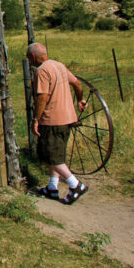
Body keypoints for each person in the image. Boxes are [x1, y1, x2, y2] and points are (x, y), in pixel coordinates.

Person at [27, 42, 88, 204]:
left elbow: (42, 97)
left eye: (28, 58)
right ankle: (52, 187)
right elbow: (77, 83)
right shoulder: (59, 66)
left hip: (52, 120)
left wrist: (35, 119)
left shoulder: (42, 71)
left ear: (33, 57)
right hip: (68, 118)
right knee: (56, 153)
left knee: (50, 155)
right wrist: (80, 99)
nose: (28, 61)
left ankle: (75, 185)